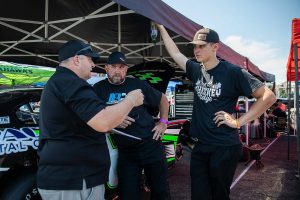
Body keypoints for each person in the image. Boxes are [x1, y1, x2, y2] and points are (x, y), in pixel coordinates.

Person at [157, 24, 276, 200]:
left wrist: (238, 122)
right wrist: (161, 27)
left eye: (201, 46)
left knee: (219, 195)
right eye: (195, 46)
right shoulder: (196, 69)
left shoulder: (233, 72)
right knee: (199, 194)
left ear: (215, 47)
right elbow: (176, 54)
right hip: (200, 146)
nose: (196, 50)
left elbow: (269, 96)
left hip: (224, 146)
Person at [37, 40, 144, 200]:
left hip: (70, 179)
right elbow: (102, 121)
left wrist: (110, 123)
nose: (93, 65)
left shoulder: (60, 81)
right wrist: (130, 100)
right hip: (74, 182)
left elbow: (81, 122)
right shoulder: (70, 82)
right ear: (76, 59)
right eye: (90, 59)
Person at [93, 51, 170, 200]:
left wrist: (163, 122)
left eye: (121, 67)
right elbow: (92, 117)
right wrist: (113, 122)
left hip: (150, 145)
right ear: (106, 68)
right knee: (128, 194)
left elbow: (162, 99)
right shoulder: (98, 89)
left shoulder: (137, 84)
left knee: (161, 191)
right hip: (126, 152)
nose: (117, 71)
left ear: (126, 69)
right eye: (114, 66)